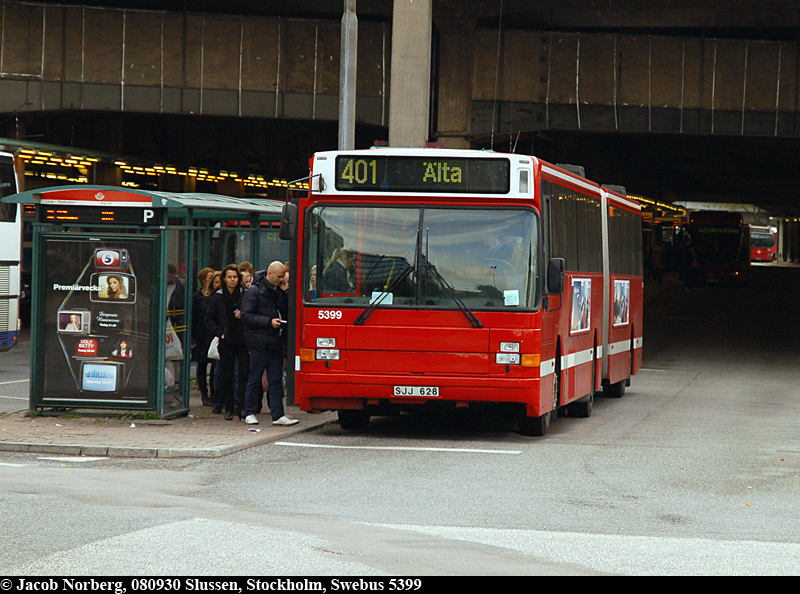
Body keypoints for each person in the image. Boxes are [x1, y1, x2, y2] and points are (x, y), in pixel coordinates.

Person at [240, 260, 298, 426]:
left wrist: (286, 293)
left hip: (275, 341)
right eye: (280, 277)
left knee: (275, 379)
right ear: (270, 274)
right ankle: (249, 412)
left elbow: (287, 312)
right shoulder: (254, 292)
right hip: (259, 341)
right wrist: (268, 322)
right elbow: (247, 316)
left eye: (283, 277)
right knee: (255, 377)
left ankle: (278, 414)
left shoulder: (277, 291)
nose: (282, 280)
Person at [204, 264, 249, 420]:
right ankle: (228, 408)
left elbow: (251, 312)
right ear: (224, 278)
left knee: (243, 374)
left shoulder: (244, 294)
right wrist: (220, 333)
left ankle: (241, 407)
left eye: (235, 277)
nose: (232, 280)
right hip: (226, 339)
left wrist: (244, 316)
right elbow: (208, 319)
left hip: (242, 339)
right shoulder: (217, 296)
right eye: (229, 277)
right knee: (226, 374)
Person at [191, 267, 215, 406]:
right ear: (203, 280)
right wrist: (193, 339)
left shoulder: (215, 296)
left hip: (212, 334)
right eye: (208, 277)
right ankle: (204, 394)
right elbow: (193, 318)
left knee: (214, 364)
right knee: (202, 364)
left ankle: (214, 393)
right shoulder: (196, 298)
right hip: (201, 335)